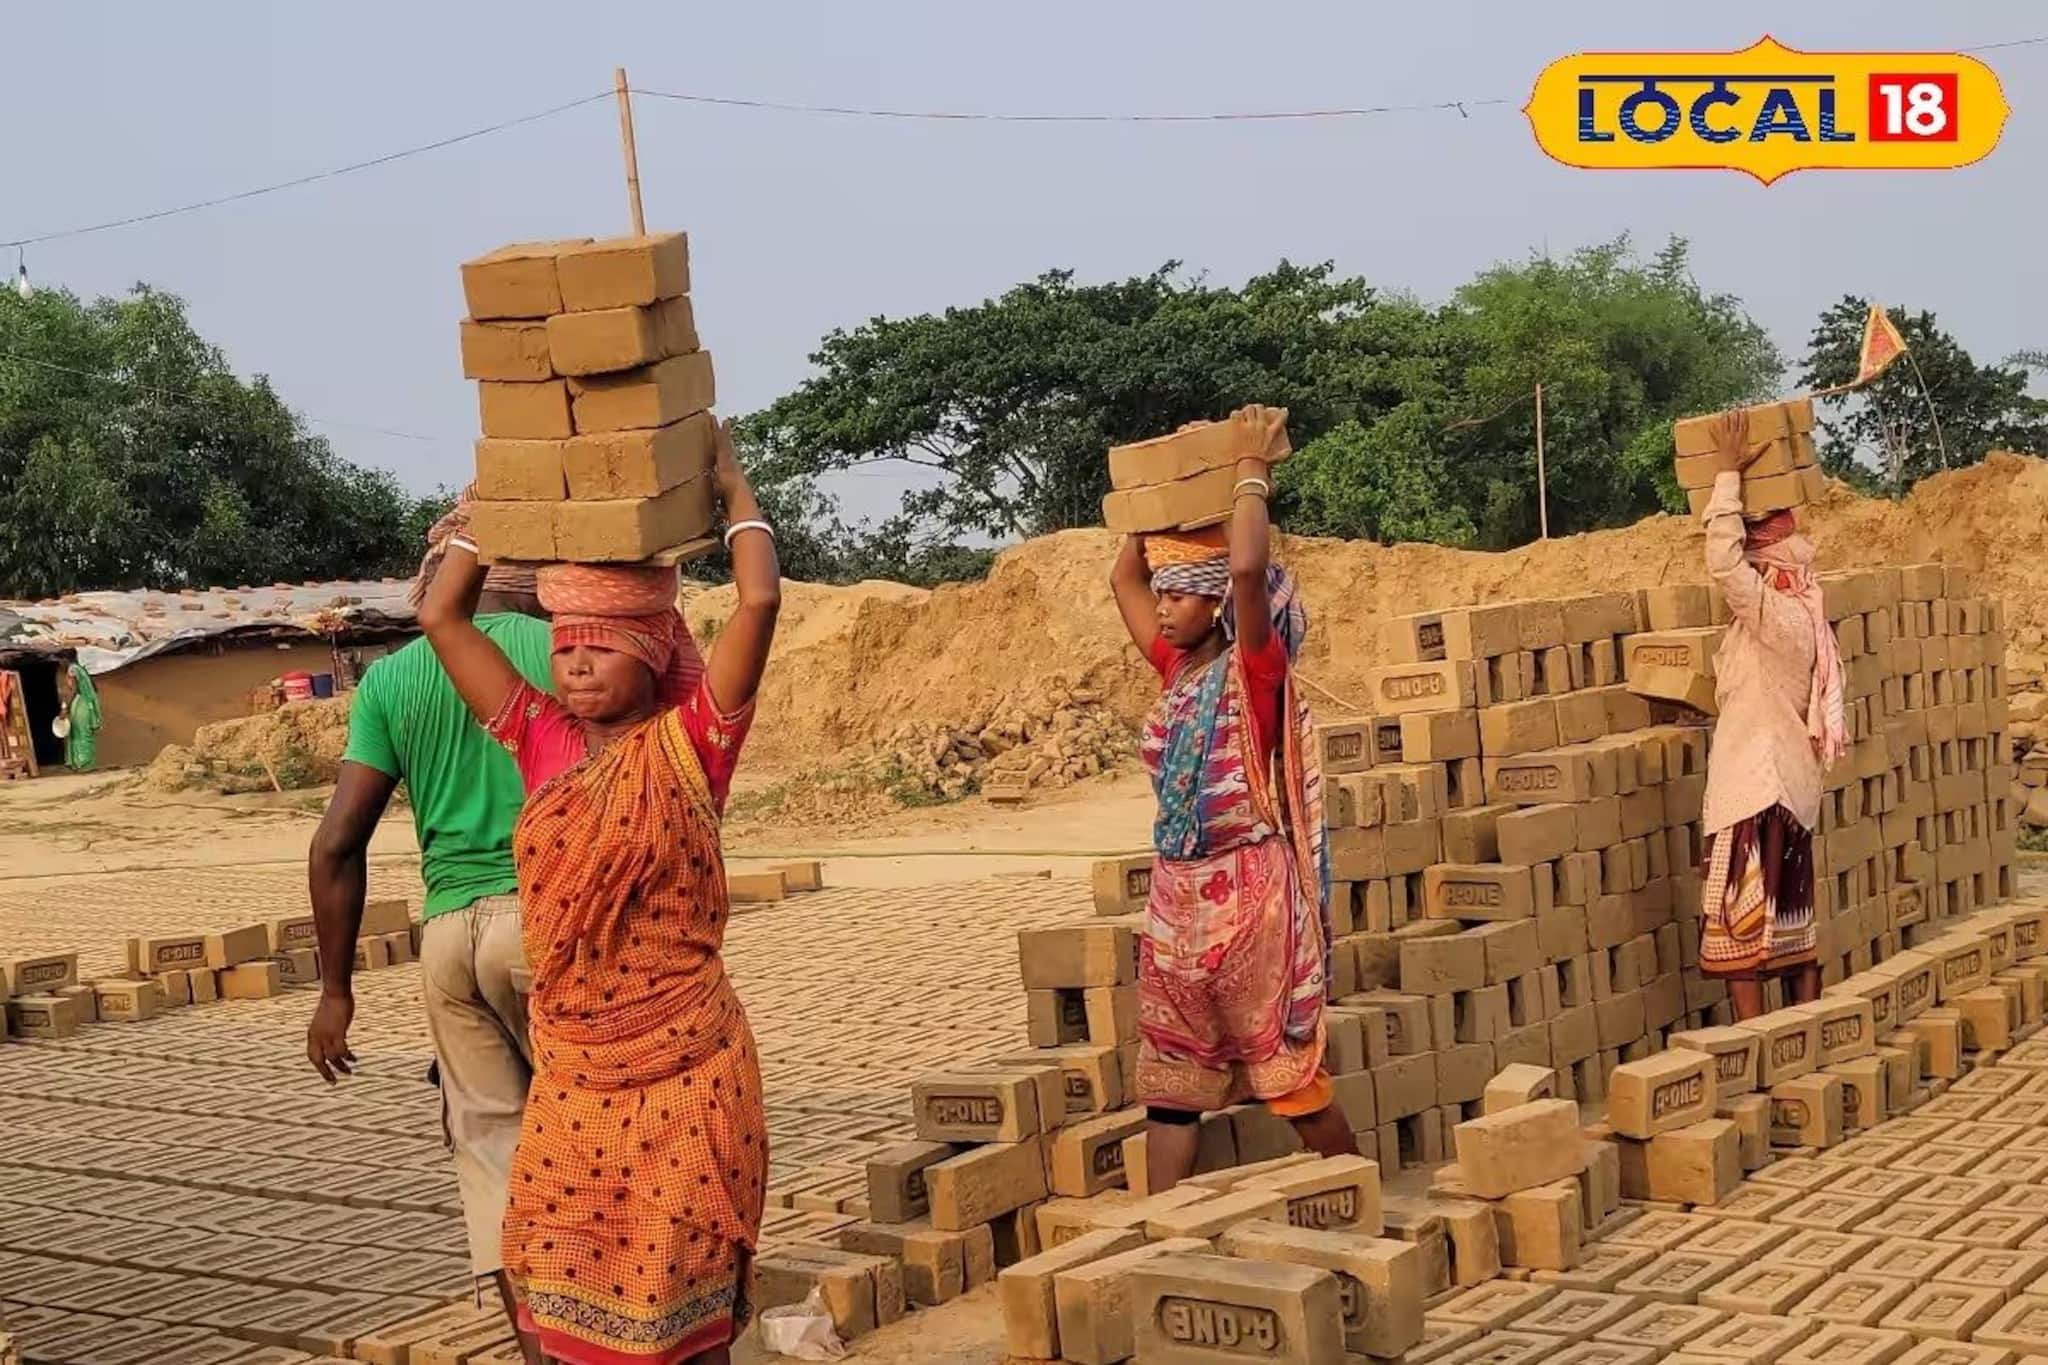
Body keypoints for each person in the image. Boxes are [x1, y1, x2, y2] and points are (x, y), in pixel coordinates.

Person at [416, 419, 778, 1365]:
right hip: (575, 1081)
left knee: (689, 1313)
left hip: (687, 1071)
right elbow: (441, 617)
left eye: (600, 651)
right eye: (565, 649)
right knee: (573, 1300)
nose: (573, 667)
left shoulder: (695, 746)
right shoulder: (539, 739)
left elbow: (759, 601)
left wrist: (733, 490)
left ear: (653, 653)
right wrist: (484, 502)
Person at [308, 511, 648, 1362]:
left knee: (494, 1160)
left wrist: (336, 992)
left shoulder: (395, 680)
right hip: (550, 925)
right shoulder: (566, 650)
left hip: (451, 941)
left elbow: (336, 842)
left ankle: (543, 1354)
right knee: (603, 1143)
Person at [1108, 403, 1353, 1192]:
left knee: (1288, 1081)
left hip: (1251, 901)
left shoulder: (1255, 674)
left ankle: (1357, 1195)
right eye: (1165, 594)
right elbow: (1124, 575)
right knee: (1171, 1092)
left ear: (1214, 602)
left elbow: (1249, 569)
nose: (1164, 605)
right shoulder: (1176, 672)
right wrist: (1162, 489)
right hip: (1178, 902)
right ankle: (1162, 1232)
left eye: (1179, 593)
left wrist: (1249, 470)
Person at [1697, 408, 1848, 1021]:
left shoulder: (1778, 618)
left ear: (1772, 567)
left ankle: (1758, 1055)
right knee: (1790, 933)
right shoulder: (1804, 621)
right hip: (1789, 792)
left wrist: (1728, 476)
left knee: (1744, 937)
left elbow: (1722, 564)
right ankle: (1803, 1050)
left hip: (1755, 792)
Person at [58, 663, 101, 771]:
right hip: (84, 704)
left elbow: (73, 690)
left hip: (81, 706)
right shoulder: (80, 670)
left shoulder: (73, 670)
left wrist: (65, 708)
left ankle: (82, 762)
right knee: (82, 734)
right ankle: (83, 763)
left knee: (80, 733)